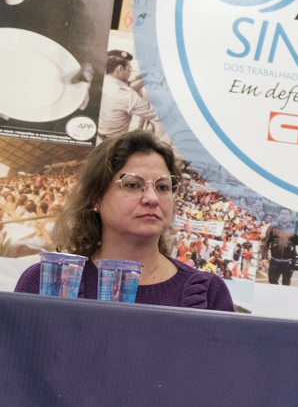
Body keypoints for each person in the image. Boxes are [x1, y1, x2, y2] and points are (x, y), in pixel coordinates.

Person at [14, 130, 235, 310]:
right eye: (132, 185)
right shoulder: (47, 281)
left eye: (163, 187)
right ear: (96, 198)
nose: (152, 198)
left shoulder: (207, 293)